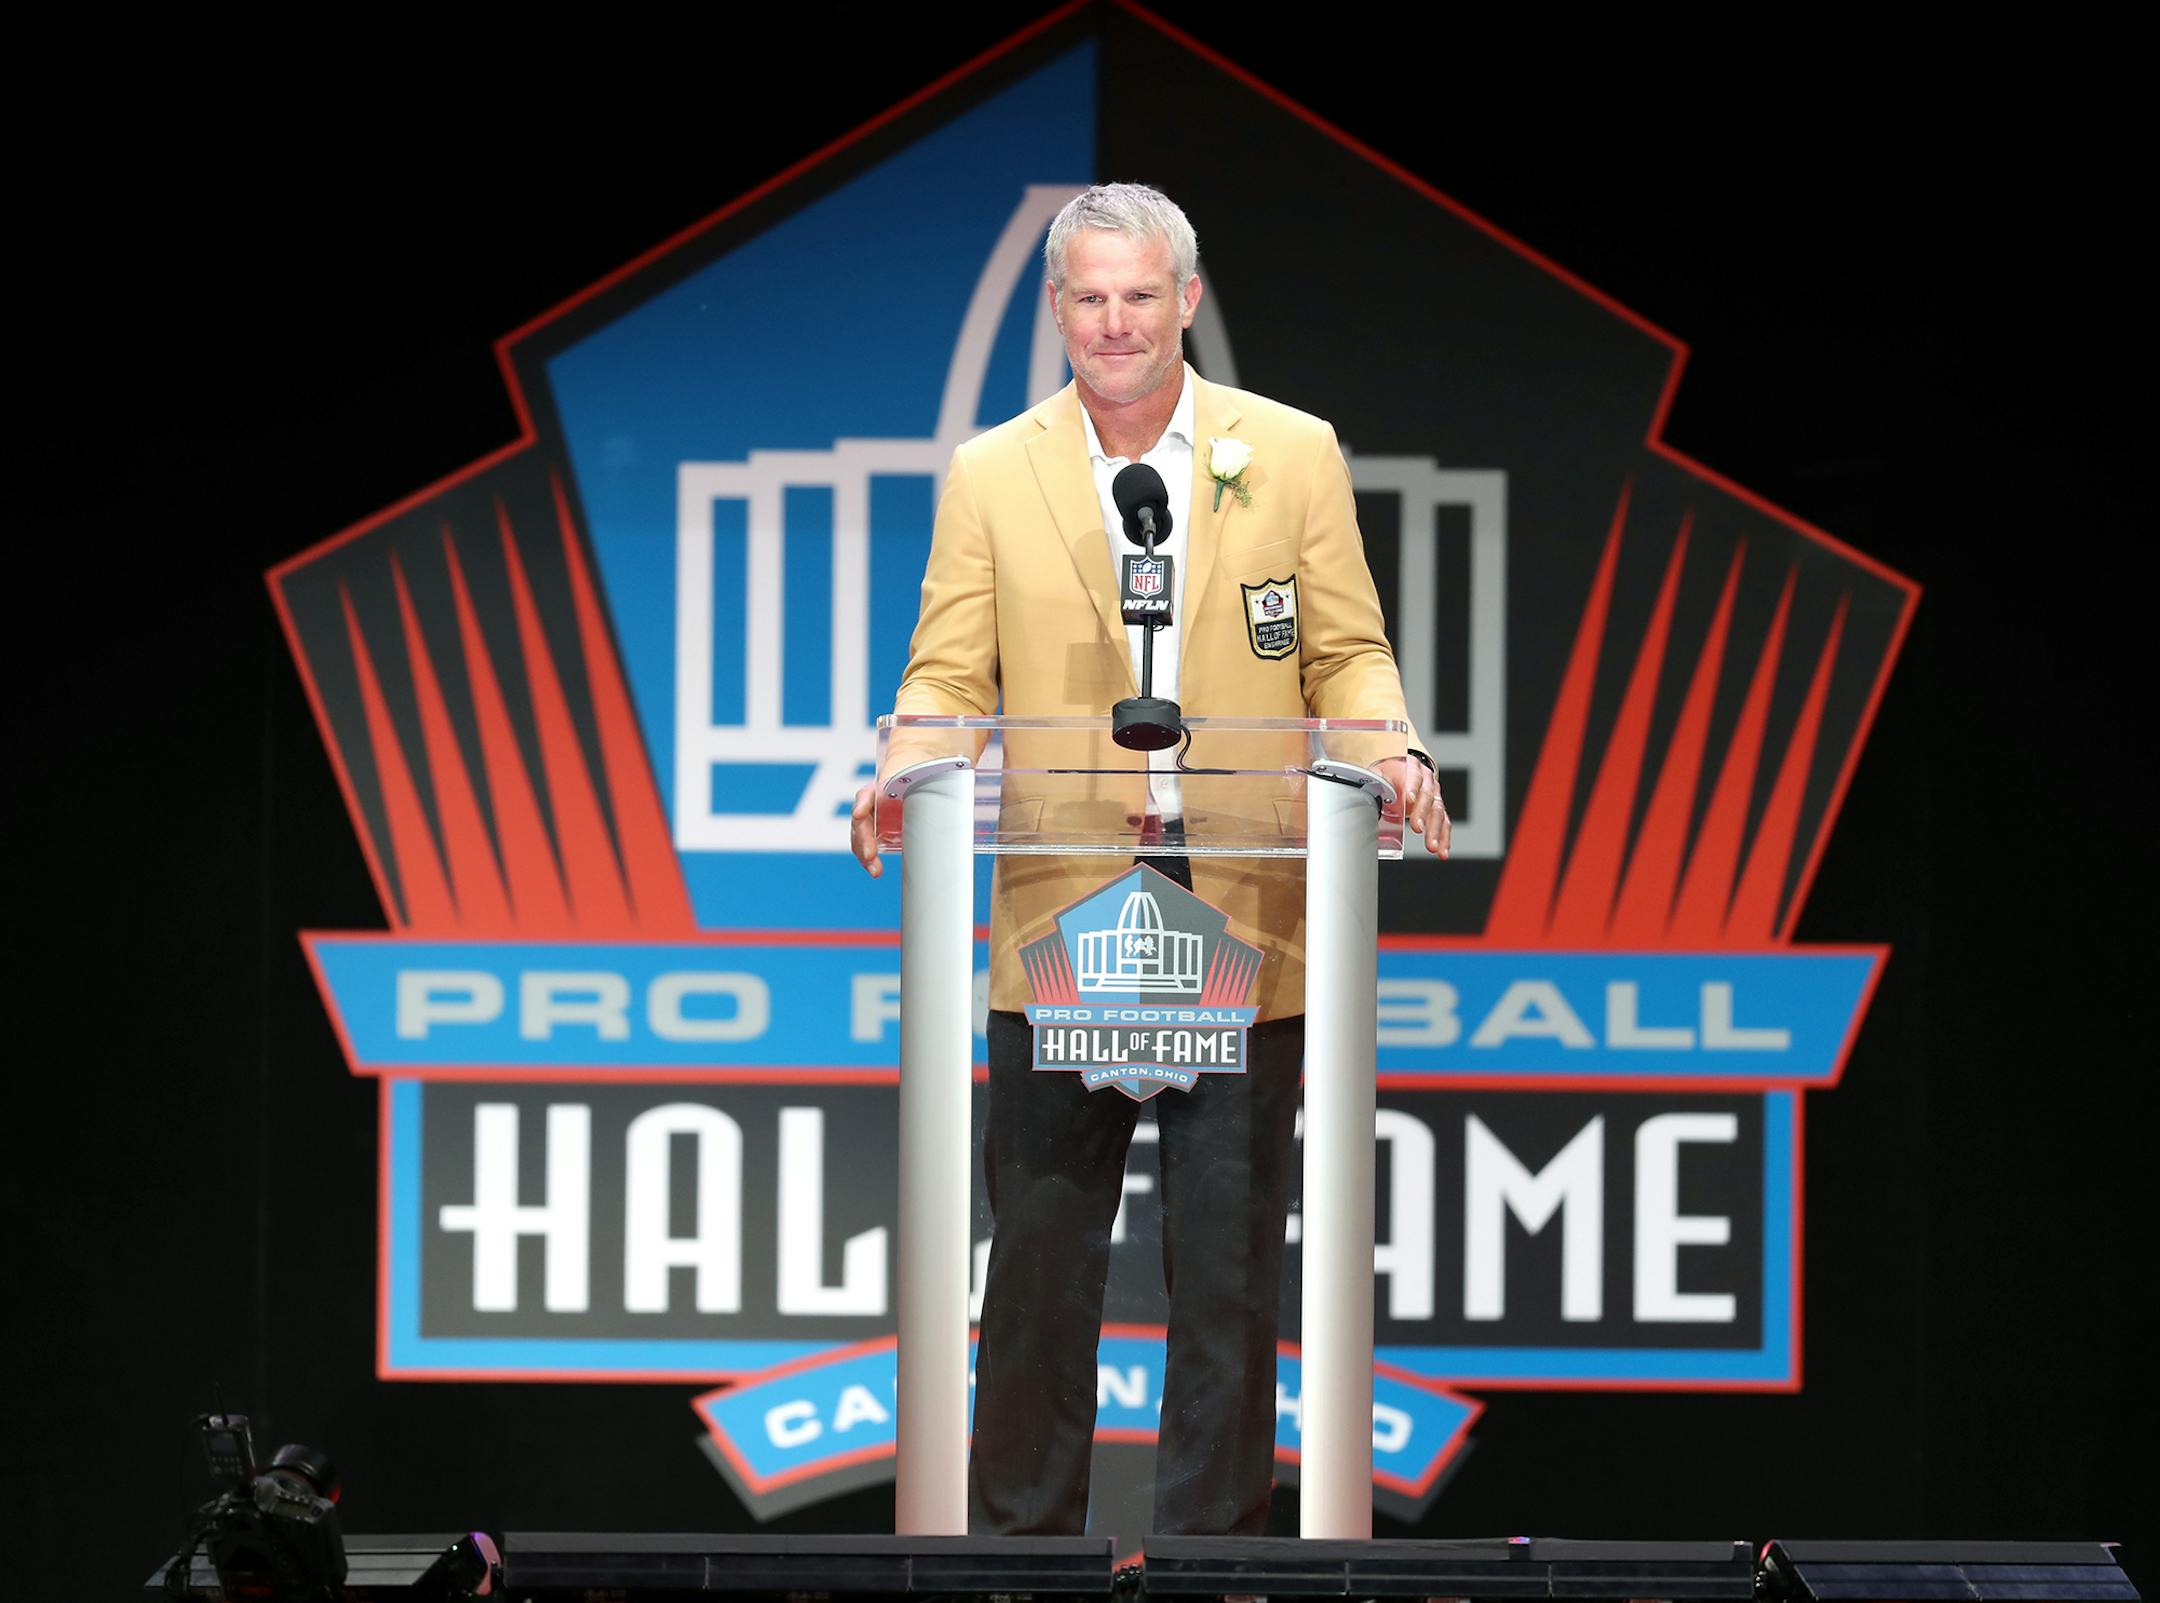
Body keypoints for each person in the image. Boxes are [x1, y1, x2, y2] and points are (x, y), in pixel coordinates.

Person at [848, 184, 1447, 1537]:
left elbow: (1346, 652)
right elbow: (950, 670)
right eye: (1089, 297)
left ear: (1186, 300)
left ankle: (1214, 1559)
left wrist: (1392, 752)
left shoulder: (1289, 453)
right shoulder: (992, 472)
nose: (1114, 321)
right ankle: (1016, 1554)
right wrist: (909, 769)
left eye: (1138, 295)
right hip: (1063, 897)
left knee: (1226, 1271)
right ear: (1058, 311)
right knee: (1040, 1263)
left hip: (1243, 898)